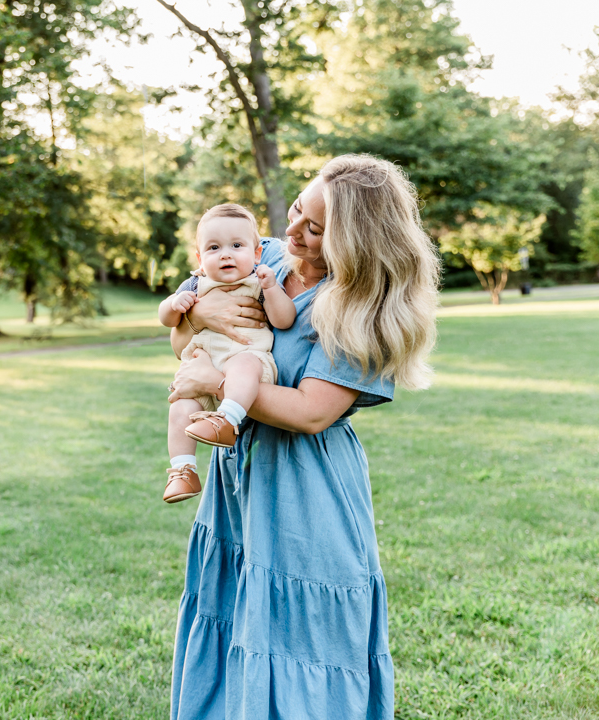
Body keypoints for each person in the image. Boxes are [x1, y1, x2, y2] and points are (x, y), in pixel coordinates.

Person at [166, 154, 440, 719]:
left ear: (353, 245)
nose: (291, 231)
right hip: (238, 482)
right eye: (296, 209)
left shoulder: (361, 309)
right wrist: (198, 319)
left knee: (302, 643)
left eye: (315, 229)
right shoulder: (262, 255)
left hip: (305, 490)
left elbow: (312, 412)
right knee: (231, 618)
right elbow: (191, 314)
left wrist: (212, 381)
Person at [157, 204, 297, 504]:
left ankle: (227, 420)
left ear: (256, 254)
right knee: (180, 409)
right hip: (200, 367)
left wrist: (273, 289)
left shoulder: (259, 283)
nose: (225, 255)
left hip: (247, 360)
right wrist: (174, 305)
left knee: (243, 365)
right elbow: (167, 319)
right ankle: (182, 471)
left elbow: (284, 319)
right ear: (199, 258)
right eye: (214, 247)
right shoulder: (194, 284)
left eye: (236, 246)